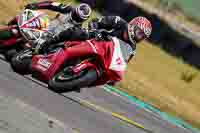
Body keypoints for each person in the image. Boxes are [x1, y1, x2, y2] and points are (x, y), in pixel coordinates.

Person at [32, 15, 152, 87]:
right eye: (139, 32)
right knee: (77, 32)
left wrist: (114, 77)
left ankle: (76, 75)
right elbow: (95, 22)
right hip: (95, 38)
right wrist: (94, 31)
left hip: (105, 54)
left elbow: (123, 61)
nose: (139, 37)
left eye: (142, 36)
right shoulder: (118, 22)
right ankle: (47, 43)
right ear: (132, 26)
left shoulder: (132, 48)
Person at [24, 1, 92, 35]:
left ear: (83, 19)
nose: (75, 17)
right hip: (44, 27)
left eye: (78, 17)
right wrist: (35, 5)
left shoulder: (78, 30)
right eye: (75, 14)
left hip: (49, 42)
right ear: (74, 10)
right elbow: (51, 4)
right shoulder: (67, 9)